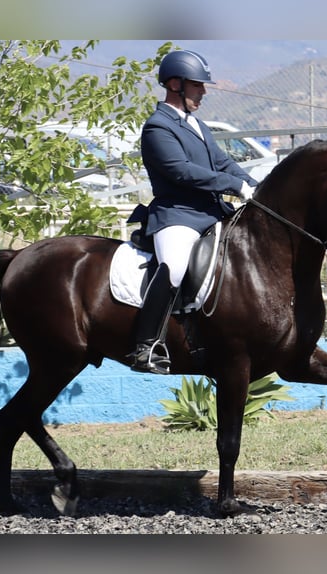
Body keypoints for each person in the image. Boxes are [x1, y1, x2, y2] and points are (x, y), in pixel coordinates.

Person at [128, 49, 259, 375]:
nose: (203, 91)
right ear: (175, 84)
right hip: (178, 215)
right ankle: (146, 346)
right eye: (197, 85)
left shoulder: (196, 124)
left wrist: (254, 187)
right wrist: (232, 185)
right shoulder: (157, 127)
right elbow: (181, 172)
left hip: (212, 211)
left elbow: (223, 162)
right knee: (173, 267)